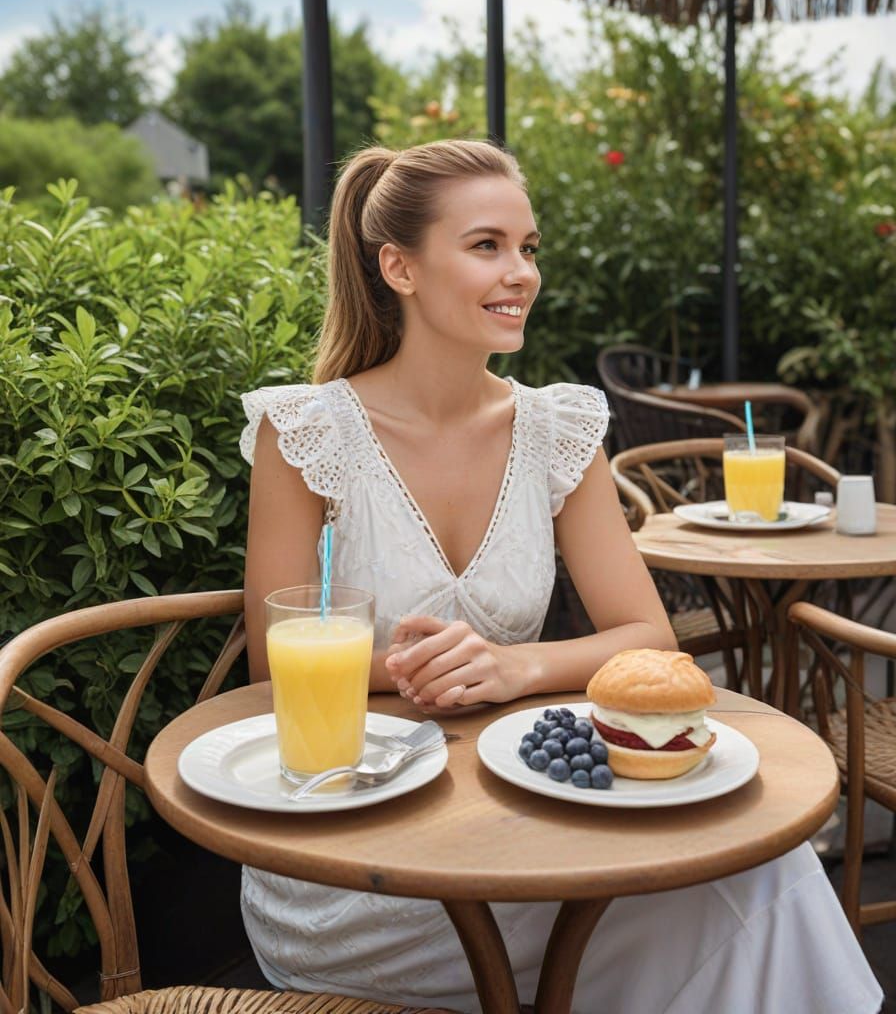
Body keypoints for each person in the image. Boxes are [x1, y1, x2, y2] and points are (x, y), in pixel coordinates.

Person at [239, 140, 882, 1014]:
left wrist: (515, 668)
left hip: (528, 820)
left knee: (762, 872)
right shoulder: (306, 431)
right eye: (486, 246)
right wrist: (413, 669)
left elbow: (648, 637)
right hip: (355, 857)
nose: (521, 273)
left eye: (528, 247)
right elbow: (274, 670)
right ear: (399, 267)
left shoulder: (556, 427)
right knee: (743, 898)